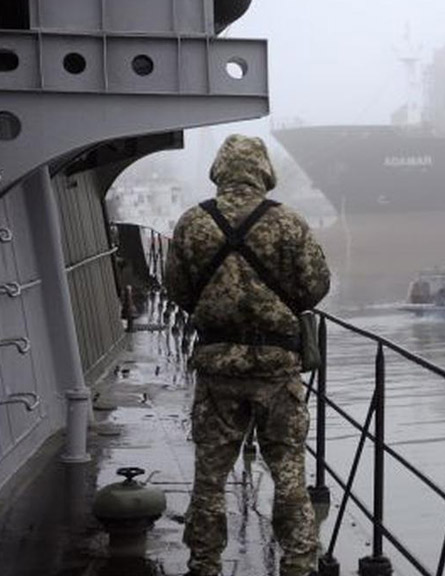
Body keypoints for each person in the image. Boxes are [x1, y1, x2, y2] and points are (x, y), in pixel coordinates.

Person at [165, 135, 330, 576]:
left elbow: (177, 290)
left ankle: (205, 564)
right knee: (289, 476)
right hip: (277, 371)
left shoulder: (191, 223)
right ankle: (297, 564)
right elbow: (316, 287)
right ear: (263, 171)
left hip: (217, 369)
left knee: (210, 478)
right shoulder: (288, 223)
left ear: (220, 169)